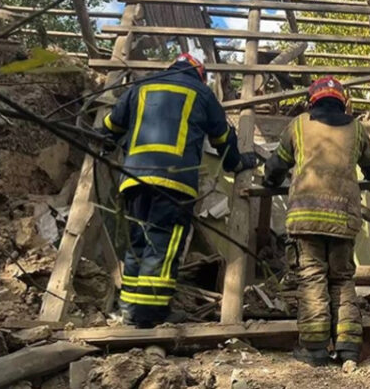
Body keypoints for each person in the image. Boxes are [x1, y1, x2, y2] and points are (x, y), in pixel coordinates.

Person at [101, 53, 258, 328]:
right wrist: (239, 163)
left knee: (138, 244)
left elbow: (111, 126)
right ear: (201, 74)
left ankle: (128, 312)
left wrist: (106, 143)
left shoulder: (142, 86)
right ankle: (151, 316)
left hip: (133, 180)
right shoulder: (201, 92)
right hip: (174, 184)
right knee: (163, 245)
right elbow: (223, 138)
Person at [263, 76, 370, 366]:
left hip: (306, 218)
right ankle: (348, 347)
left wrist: (269, 180)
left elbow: (277, 164)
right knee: (342, 279)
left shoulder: (299, 125)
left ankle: (315, 348)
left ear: (312, 100)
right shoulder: (356, 129)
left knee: (312, 278)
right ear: (342, 100)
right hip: (343, 219)